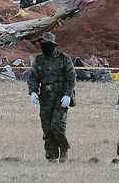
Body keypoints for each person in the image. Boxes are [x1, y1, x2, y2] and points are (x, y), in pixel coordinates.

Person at [27, 32, 75, 162]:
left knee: (57, 125)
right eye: (42, 44)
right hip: (46, 99)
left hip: (61, 99)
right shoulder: (39, 61)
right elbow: (33, 78)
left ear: (53, 45)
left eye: (47, 44)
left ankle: (64, 149)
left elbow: (72, 78)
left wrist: (68, 95)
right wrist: (33, 92)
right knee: (47, 129)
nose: (44, 46)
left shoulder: (64, 58)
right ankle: (51, 157)